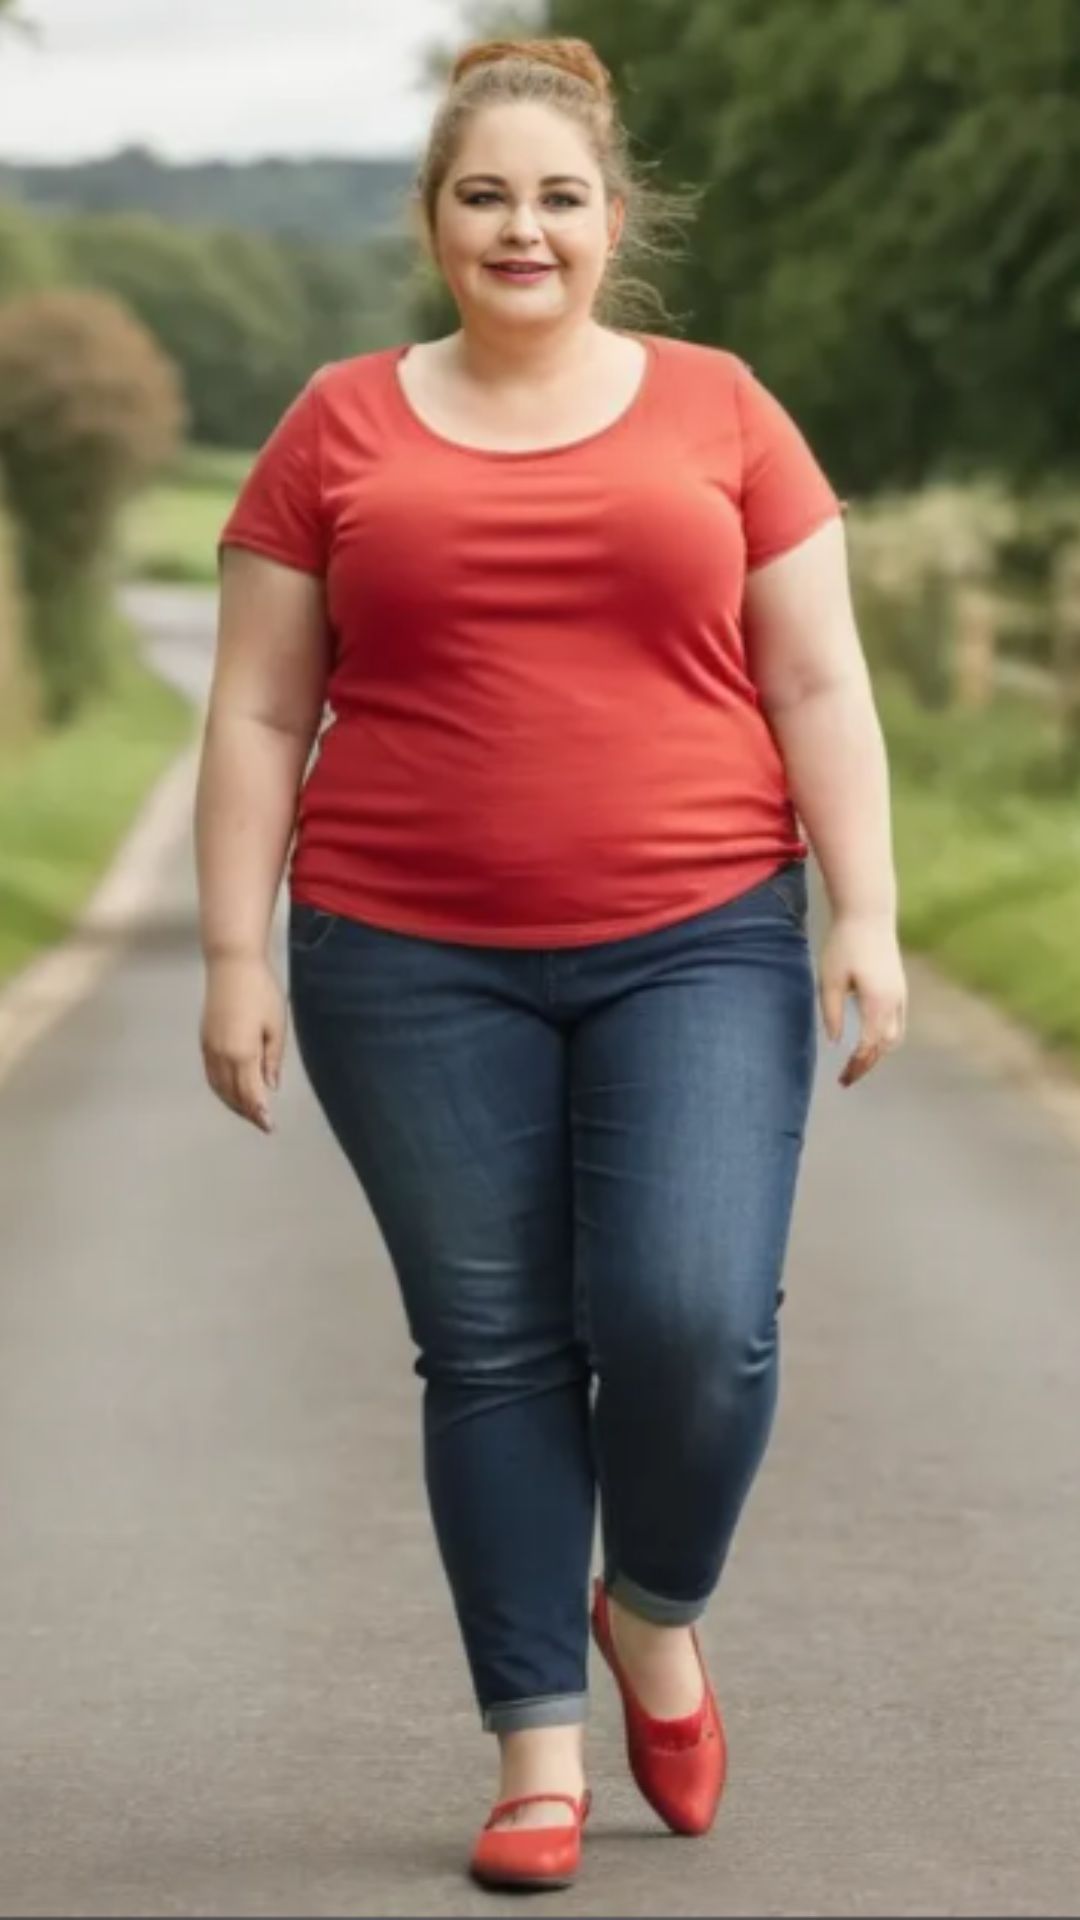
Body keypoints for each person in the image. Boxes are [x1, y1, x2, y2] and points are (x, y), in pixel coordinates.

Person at [196, 33, 907, 1893]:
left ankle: (653, 1605)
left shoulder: (725, 410)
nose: (525, 227)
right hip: (401, 960)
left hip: (698, 940)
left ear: (615, 221)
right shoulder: (336, 424)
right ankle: (533, 1756)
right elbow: (263, 711)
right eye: (486, 195)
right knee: (496, 1351)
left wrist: (873, 912)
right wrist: (232, 954)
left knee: (693, 1321)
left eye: (560, 197)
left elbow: (818, 676)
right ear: (436, 221)